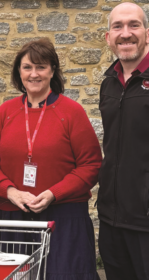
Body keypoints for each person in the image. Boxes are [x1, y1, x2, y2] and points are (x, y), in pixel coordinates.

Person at [0, 38, 102, 279]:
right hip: (14, 218)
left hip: (63, 218)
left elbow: (91, 165)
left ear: (52, 71)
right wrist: (11, 192)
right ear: (18, 72)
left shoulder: (72, 112)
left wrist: (54, 193)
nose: (34, 74)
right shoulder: (6, 112)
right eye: (27, 67)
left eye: (41, 67)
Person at [98, 3, 149, 279]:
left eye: (134, 25)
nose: (125, 33)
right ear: (108, 37)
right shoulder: (109, 82)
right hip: (111, 219)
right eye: (117, 26)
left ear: (147, 33)